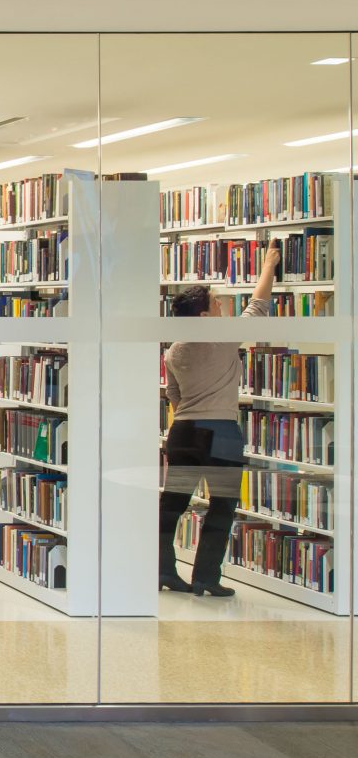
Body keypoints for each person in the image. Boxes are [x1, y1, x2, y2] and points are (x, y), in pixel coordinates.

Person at [157, 240, 280, 598]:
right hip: (221, 433)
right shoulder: (220, 339)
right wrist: (269, 265)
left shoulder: (174, 350)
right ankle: (206, 578)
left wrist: (190, 417)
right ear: (205, 317)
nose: (223, 306)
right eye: (216, 303)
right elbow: (258, 307)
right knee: (222, 507)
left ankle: (164, 570)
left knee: (173, 504)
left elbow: (173, 395)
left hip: (183, 432)